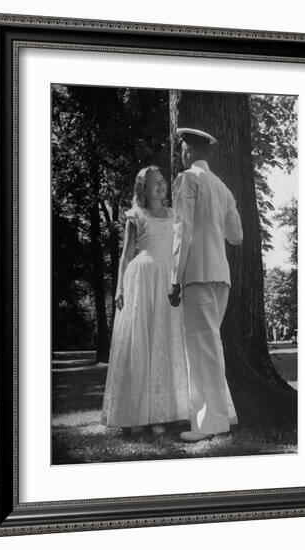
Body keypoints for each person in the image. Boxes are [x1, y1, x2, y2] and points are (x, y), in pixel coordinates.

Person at [101, 165, 190, 435]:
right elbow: (126, 256)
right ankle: (141, 414)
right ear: (143, 188)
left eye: (162, 180)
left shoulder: (175, 215)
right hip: (142, 280)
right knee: (144, 342)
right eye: (154, 182)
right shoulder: (135, 216)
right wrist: (119, 289)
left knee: (166, 341)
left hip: (168, 281)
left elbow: (180, 250)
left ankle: (169, 412)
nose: (160, 185)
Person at [169, 128, 243, 442]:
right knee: (210, 346)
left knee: (201, 350)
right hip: (221, 276)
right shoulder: (222, 187)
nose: (181, 152)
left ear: (189, 150)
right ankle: (222, 415)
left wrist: (174, 278)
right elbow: (236, 236)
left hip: (197, 275)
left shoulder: (188, 179)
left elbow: (181, 231)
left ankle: (208, 424)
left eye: (183, 147)